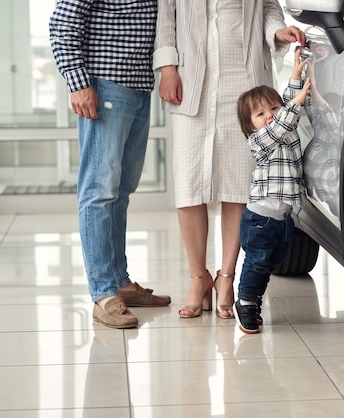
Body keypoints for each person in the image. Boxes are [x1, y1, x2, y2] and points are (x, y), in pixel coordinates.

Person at [153, 0, 306, 319]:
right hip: (191, 77)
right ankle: (199, 279)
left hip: (243, 79)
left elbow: (268, 9)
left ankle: (226, 277)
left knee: (237, 184)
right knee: (189, 182)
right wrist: (167, 67)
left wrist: (277, 31)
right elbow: (166, 16)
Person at [49, 0, 171, 329]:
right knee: (99, 191)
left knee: (120, 190)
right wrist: (78, 83)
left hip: (138, 88)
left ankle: (120, 283)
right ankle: (103, 294)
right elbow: (62, 25)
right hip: (103, 85)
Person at [234, 48, 312, 334]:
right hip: (259, 220)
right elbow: (284, 120)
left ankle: (253, 300)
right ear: (249, 125)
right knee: (257, 264)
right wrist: (297, 102)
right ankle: (245, 302)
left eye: (273, 109)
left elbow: (287, 109)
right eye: (260, 113)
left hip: (280, 221)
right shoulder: (261, 139)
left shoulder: (283, 125)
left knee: (268, 264)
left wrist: (295, 76)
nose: (269, 116)